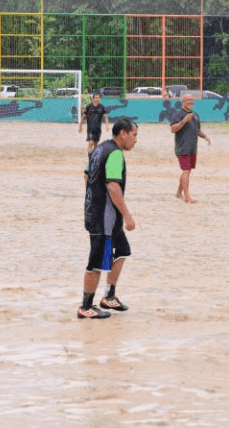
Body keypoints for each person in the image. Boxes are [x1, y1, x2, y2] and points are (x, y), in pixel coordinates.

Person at [78, 117, 138, 319]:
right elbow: (113, 186)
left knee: (121, 251)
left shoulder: (100, 148)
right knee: (96, 262)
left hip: (101, 215)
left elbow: (86, 175)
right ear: (123, 134)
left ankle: (108, 296)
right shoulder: (115, 154)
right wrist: (127, 216)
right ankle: (86, 307)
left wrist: (93, 196)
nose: (136, 140)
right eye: (134, 135)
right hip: (104, 218)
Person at [170, 94, 211, 203]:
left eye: (192, 100)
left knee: (187, 171)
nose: (191, 102)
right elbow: (173, 129)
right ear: (183, 101)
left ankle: (179, 192)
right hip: (183, 148)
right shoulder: (178, 114)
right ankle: (186, 196)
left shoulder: (195, 115)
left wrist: (205, 136)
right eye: (189, 100)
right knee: (186, 171)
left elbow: (197, 130)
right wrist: (184, 121)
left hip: (192, 148)